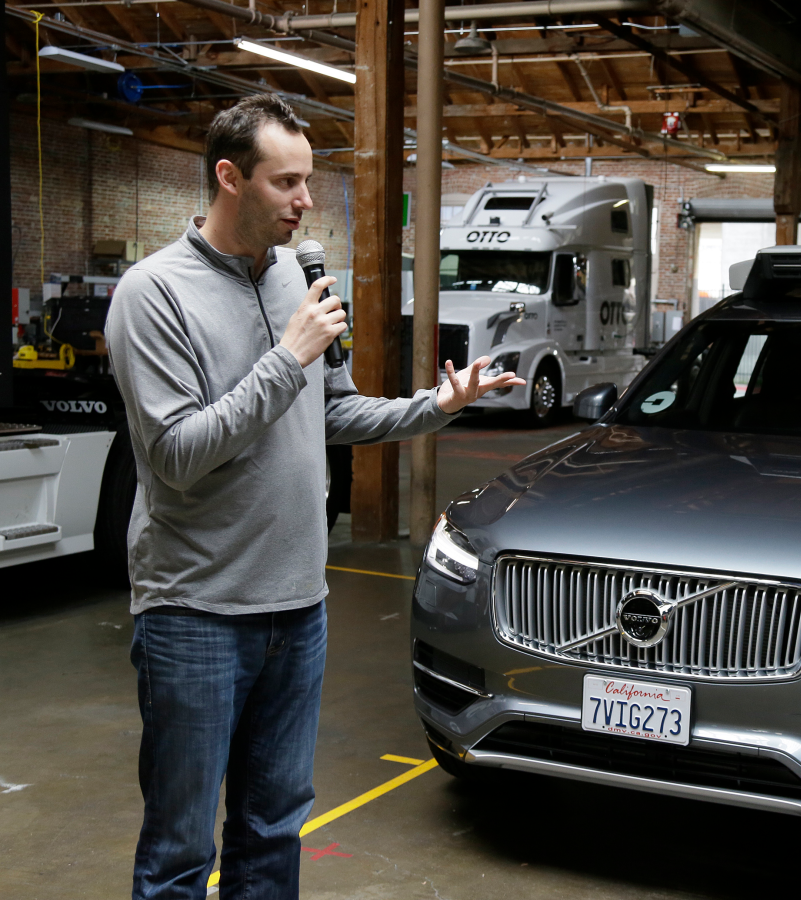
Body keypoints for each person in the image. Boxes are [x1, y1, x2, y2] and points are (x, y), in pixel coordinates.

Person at [106, 93, 524, 900]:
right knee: (181, 848)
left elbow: (330, 409)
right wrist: (288, 357)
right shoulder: (153, 294)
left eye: (309, 181)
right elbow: (175, 455)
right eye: (285, 183)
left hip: (298, 606)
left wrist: (434, 406)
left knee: (272, 829)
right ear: (229, 178)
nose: (306, 202)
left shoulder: (297, 277)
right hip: (195, 611)